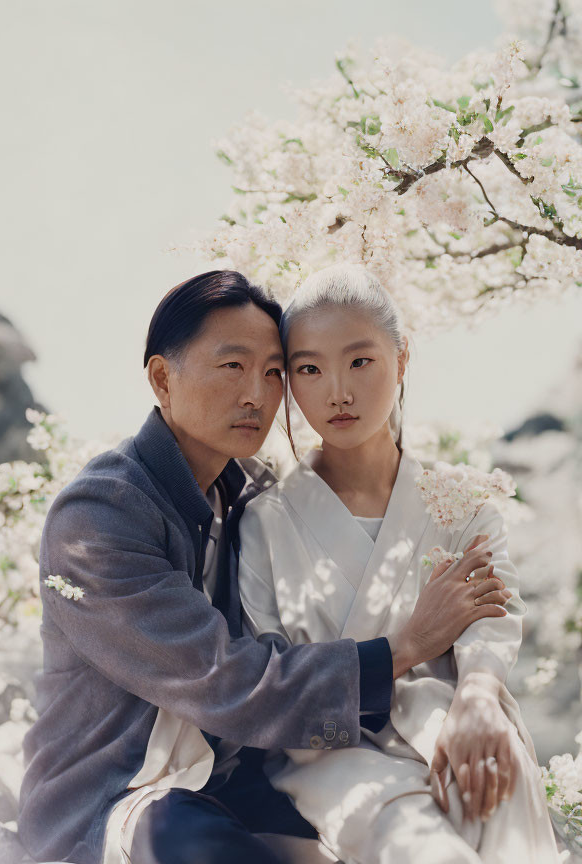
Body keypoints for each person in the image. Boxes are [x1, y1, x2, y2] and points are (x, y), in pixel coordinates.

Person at [18, 270, 510, 864]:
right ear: (162, 378)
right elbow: (224, 677)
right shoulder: (101, 514)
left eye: (275, 372)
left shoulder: (252, 498)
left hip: (241, 782)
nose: (257, 392)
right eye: (232, 367)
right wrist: (403, 647)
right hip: (120, 797)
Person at [237, 263, 560, 864]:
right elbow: (274, 674)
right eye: (309, 368)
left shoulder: (459, 505)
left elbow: (493, 612)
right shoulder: (266, 522)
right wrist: (408, 643)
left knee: (494, 780)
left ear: (402, 357)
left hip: (457, 718)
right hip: (334, 755)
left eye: (360, 361)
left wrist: (480, 697)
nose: (337, 390)